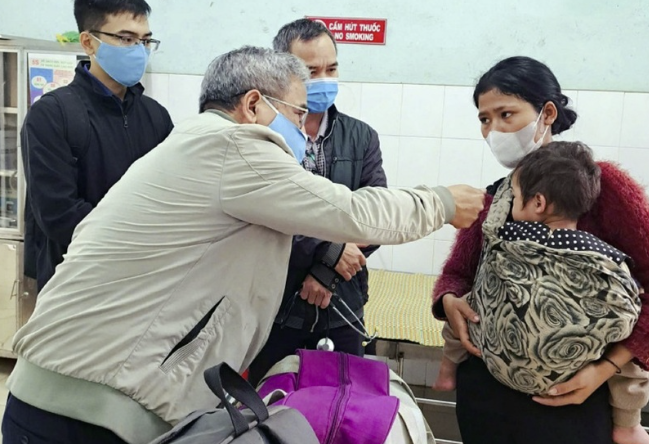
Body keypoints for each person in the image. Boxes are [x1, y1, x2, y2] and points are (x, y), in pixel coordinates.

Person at [2, 46, 484, 444]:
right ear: (253, 105)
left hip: (68, 390)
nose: (304, 129)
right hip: (90, 409)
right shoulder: (233, 147)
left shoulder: (190, 144)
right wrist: (441, 202)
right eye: (298, 113)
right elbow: (350, 212)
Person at [432, 56, 649, 444]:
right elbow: (457, 274)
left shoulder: (602, 188)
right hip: (487, 393)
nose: (494, 130)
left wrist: (606, 369)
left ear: (547, 114)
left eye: (506, 114)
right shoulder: (495, 198)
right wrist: (450, 301)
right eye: (484, 119)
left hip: (573, 397)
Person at [248, 18, 386, 386]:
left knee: (341, 406)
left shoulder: (361, 136)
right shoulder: (260, 137)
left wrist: (326, 271)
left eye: (332, 68)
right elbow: (262, 216)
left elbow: (375, 215)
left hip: (342, 304)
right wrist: (327, 251)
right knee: (271, 404)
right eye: (312, 71)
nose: (324, 80)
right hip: (275, 307)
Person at [22, 0, 173, 291]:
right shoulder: (53, 114)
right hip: (76, 285)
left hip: (141, 284)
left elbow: (170, 197)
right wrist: (138, 240)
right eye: (126, 39)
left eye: (145, 41)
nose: (138, 50)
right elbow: (59, 214)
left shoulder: (156, 116)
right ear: (88, 42)